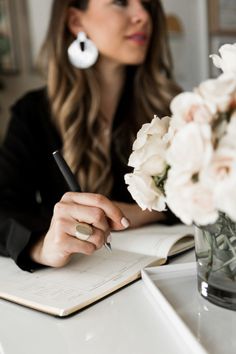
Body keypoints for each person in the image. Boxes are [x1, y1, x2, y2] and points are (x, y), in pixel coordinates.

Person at [0, 0, 180, 271]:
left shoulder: (173, 109)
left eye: (146, 4)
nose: (143, 15)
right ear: (76, 21)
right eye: (120, 2)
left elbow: (207, 193)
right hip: (77, 279)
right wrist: (40, 246)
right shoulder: (32, 114)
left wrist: (138, 213)